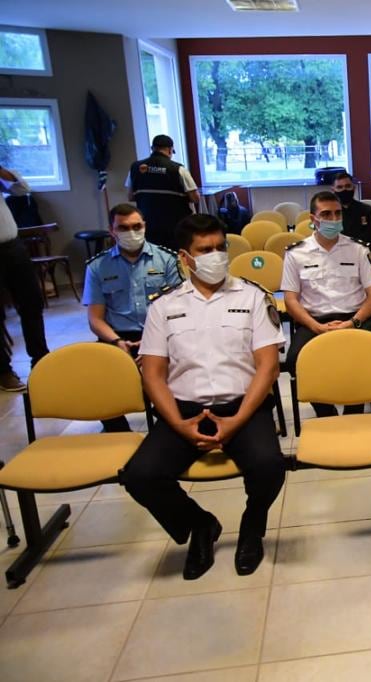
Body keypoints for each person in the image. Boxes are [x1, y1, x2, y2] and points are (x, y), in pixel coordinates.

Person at [121, 214, 286, 580]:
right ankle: (199, 525)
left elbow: (268, 367)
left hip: (243, 406)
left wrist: (236, 421)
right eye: (205, 250)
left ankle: (251, 528)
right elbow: (153, 374)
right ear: (185, 257)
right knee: (140, 476)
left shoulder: (254, 296)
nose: (216, 256)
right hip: (184, 410)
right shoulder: (164, 306)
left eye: (220, 248)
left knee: (270, 466)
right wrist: (179, 424)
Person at [282, 191, 371, 416]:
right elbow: (290, 299)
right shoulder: (296, 253)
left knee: (365, 360)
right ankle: (325, 411)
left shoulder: (358, 249)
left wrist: (352, 322)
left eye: (337, 213)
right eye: (326, 214)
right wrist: (315, 326)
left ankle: (353, 410)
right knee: (294, 361)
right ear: (313, 218)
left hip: (355, 318)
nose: (333, 219)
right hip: (314, 321)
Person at [82, 204, 181, 431]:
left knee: (183, 374)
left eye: (137, 226)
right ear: (112, 231)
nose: (131, 232)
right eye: (123, 227)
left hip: (162, 333)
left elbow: (180, 308)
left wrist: (152, 343)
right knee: (97, 383)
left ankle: (170, 425)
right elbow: (95, 319)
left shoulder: (166, 260)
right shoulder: (97, 267)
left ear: (145, 226)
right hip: (118, 337)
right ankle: (119, 433)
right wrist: (117, 342)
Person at [0, 164, 49, 392]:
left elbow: (21, 189)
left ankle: (41, 361)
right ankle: (3, 371)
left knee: (32, 303)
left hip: (12, 246)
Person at [127, 135, 200, 250]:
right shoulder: (178, 169)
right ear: (170, 150)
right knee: (177, 258)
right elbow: (195, 198)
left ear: (153, 148)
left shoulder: (135, 168)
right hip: (175, 225)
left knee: (154, 256)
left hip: (148, 225)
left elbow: (130, 196)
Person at [331, 170, 371, 247]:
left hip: (362, 251)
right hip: (335, 252)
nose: (344, 190)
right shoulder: (328, 213)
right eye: (340, 187)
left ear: (354, 188)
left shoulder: (367, 210)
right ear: (333, 190)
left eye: (348, 186)